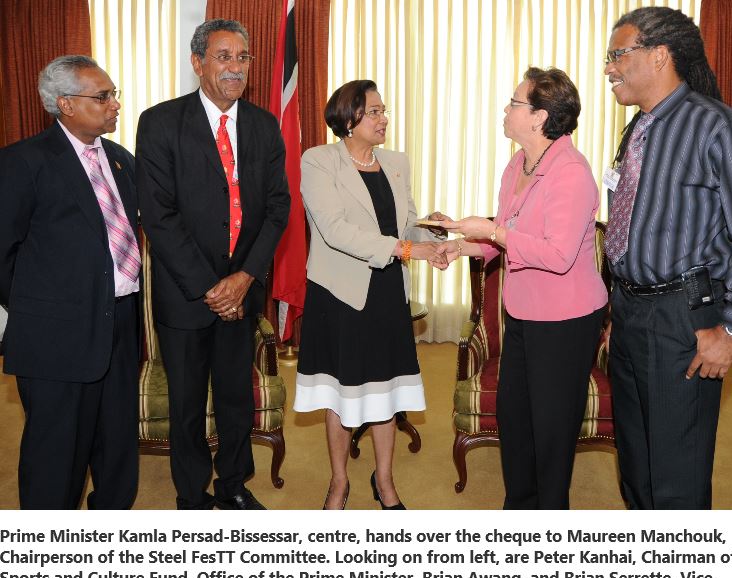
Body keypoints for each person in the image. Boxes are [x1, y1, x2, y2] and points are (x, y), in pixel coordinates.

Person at [603, 7, 732, 509]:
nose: (609, 68)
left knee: (676, 468)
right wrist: (621, 306)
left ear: (660, 56)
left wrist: (731, 329)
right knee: (636, 456)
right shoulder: (637, 130)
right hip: (632, 311)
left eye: (618, 55)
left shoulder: (718, 128)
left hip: (685, 317)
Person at [136, 19, 290, 510]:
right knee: (185, 402)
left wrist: (243, 280)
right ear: (197, 62)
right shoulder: (160, 122)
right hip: (186, 295)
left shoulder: (265, 126)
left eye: (242, 58)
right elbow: (158, 216)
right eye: (224, 56)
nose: (235, 68)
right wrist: (210, 287)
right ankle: (191, 493)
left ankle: (234, 485)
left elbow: (277, 207)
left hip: (242, 291)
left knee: (234, 399)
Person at [440, 67, 608, 509]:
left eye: (514, 103)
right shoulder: (518, 163)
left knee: (552, 431)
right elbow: (508, 233)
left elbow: (556, 255)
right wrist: (460, 245)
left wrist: (492, 233)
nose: (506, 109)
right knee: (515, 420)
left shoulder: (571, 172)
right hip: (523, 311)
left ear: (539, 116)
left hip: (565, 321)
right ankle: (520, 508)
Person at [295, 80, 448, 510]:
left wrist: (433, 233)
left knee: (386, 392)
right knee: (340, 395)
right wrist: (404, 248)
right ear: (349, 119)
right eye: (375, 111)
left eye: (384, 110)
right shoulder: (319, 161)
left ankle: (385, 482)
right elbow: (335, 229)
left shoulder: (397, 162)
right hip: (340, 293)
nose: (384, 118)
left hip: (386, 292)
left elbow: (406, 224)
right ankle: (339, 483)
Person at [0, 55, 139, 509]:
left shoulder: (121, 161)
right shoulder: (24, 162)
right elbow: (3, 253)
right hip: (56, 335)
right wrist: (40, 311)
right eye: (103, 96)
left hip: (120, 323)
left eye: (114, 93)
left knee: (117, 448)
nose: (115, 104)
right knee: (56, 457)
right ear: (65, 104)